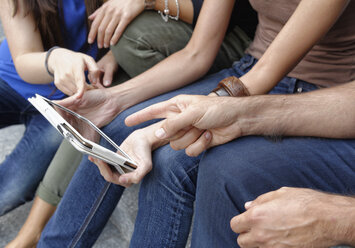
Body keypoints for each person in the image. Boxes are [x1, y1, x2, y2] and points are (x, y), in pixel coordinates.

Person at [38, 0, 354, 247]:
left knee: (172, 161)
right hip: (246, 68)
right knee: (118, 128)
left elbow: (264, 77)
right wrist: (115, 100)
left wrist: (155, 133)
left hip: (310, 87)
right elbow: (198, 53)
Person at [9, 0, 256, 247]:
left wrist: (152, 131)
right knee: (112, 127)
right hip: (38, 80)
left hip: (243, 62)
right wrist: (114, 96)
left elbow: (219, 58)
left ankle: (36, 235)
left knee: (165, 163)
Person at [0, 0, 105, 217]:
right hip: (10, 79)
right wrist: (55, 58)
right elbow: (23, 60)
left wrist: (114, 58)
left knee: (11, 190)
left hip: (65, 103)